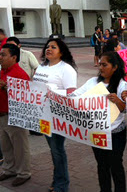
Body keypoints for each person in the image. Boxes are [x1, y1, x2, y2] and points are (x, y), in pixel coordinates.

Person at [72, 51, 127, 192]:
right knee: (102, 165)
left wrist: (118, 101)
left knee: (116, 165)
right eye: (100, 64)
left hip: (116, 134)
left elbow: (126, 110)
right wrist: (58, 96)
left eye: (105, 64)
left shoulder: (122, 85)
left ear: (114, 67)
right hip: (97, 133)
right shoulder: (92, 82)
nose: (101, 68)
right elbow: (75, 96)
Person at [33, 39, 77, 192]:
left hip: (58, 117)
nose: (49, 49)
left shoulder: (66, 69)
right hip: (43, 115)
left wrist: (53, 92)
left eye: (53, 47)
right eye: (47, 47)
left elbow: (72, 94)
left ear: (61, 52)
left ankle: (61, 185)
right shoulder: (42, 67)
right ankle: (57, 179)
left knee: (57, 150)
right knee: (53, 150)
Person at [0, 44, 31, 186]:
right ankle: (9, 169)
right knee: (6, 145)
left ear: (14, 57)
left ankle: (23, 173)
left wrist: (6, 87)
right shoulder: (2, 72)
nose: (0, 57)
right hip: (2, 115)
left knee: (19, 146)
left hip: (15, 116)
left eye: (3, 55)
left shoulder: (20, 74)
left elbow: (26, 98)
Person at [7, 37, 41, 136]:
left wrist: (34, 81)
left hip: (27, 87)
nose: (11, 47)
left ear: (19, 45)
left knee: (30, 109)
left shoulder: (27, 55)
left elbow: (36, 68)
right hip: (12, 88)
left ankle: (34, 129)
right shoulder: (7, 56)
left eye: (13, 45)